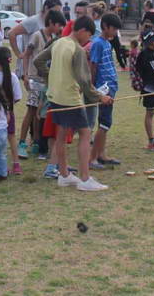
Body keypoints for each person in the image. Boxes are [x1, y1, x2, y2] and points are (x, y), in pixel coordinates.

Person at [33, 16, 113, 192]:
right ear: (83, 30)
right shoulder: (77, 50)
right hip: (70, 99)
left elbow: (37, 61)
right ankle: (84, 179)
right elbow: (84, 81)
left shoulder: (59, 42)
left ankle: (64, 175)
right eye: (89, 35)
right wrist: (101, 97)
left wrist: (51, 78)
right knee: (85, 134)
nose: (89, 40)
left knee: (61, 134)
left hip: (55, 96)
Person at [19, 10, 66, 160]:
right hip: (34, 78)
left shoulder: (53, 38)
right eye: (59, 25)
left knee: (42, 113)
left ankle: (37, 142)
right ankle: (21, 143)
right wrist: (25, 74)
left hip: (46, 80)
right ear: (51, 22)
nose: (60, 29)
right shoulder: (37, 35)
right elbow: (27, 55)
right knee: (32, 110)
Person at [89, 13, 122, 169]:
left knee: (106, 123)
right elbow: (93, 66)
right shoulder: (97, 44)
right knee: (104, 124)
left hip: (111, 86)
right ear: (105, 26)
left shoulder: (107, 43)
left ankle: (102, 155)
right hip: (103, 88)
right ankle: (92, 158)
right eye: (114, 29)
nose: (115, 32)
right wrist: (93, 88)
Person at [0, 46, 24, 175]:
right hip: (8, 113)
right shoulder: (13, 77)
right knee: (11, 137)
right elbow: (18, 97)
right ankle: (16, 164)